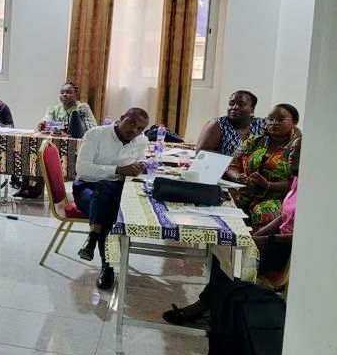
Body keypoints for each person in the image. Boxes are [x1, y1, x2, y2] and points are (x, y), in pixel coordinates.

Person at [163, 176, 297, 325]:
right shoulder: (298, 183)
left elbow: (304, 236)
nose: (292, 161)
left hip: (290, 251)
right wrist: (255, 235)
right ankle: (210, 306)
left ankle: (210, 308)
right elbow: (283, 218)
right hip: (276, 239)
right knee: (226, 243)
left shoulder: (313, 193)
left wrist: (266, 239)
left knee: (237, 256)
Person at [73, 108, 150, 291]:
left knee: (108, 198)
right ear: (121, 118)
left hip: (115, 190)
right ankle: (107, 266)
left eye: (140, 128)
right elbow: (82, 169)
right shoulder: (96, 134)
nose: (134, 130)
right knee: (108, 202)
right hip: (87, 188)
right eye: (131, 123)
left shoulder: (141, 140)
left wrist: (140, 166)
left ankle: (93, 238)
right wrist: (117, 170)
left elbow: (140, 160)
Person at [16, 82, 99, 199]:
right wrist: (42, 124)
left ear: (75, 94)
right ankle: (28, 186)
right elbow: (46, 120)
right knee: (32, 149)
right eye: (62, 92)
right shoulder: (54, 109)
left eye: (69, 92)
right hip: (55, 145)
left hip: (76, 147)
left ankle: (40, 188)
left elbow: (93, 128)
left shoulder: (82, 108)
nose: (65, 95)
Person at [225, 103, 301, 227]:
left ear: (294, 122)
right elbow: (232, 165)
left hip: (279, 197)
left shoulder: (298, 147)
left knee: (265, 213)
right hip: (246, 191)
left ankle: (257, 239)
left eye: (280, 120)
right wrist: (238, 177)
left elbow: (299, 183)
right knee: (222, 201)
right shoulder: (253, 141)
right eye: (270, 119)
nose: (274, 123)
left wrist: (268, 185)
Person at [196, 90, 266, 156]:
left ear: (252, 109)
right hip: (222, 165)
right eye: (231, 104)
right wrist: (232, 158)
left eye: (241, 104)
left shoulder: (261, 124)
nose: (234, 107)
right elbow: (201, 153)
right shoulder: (218, 124)